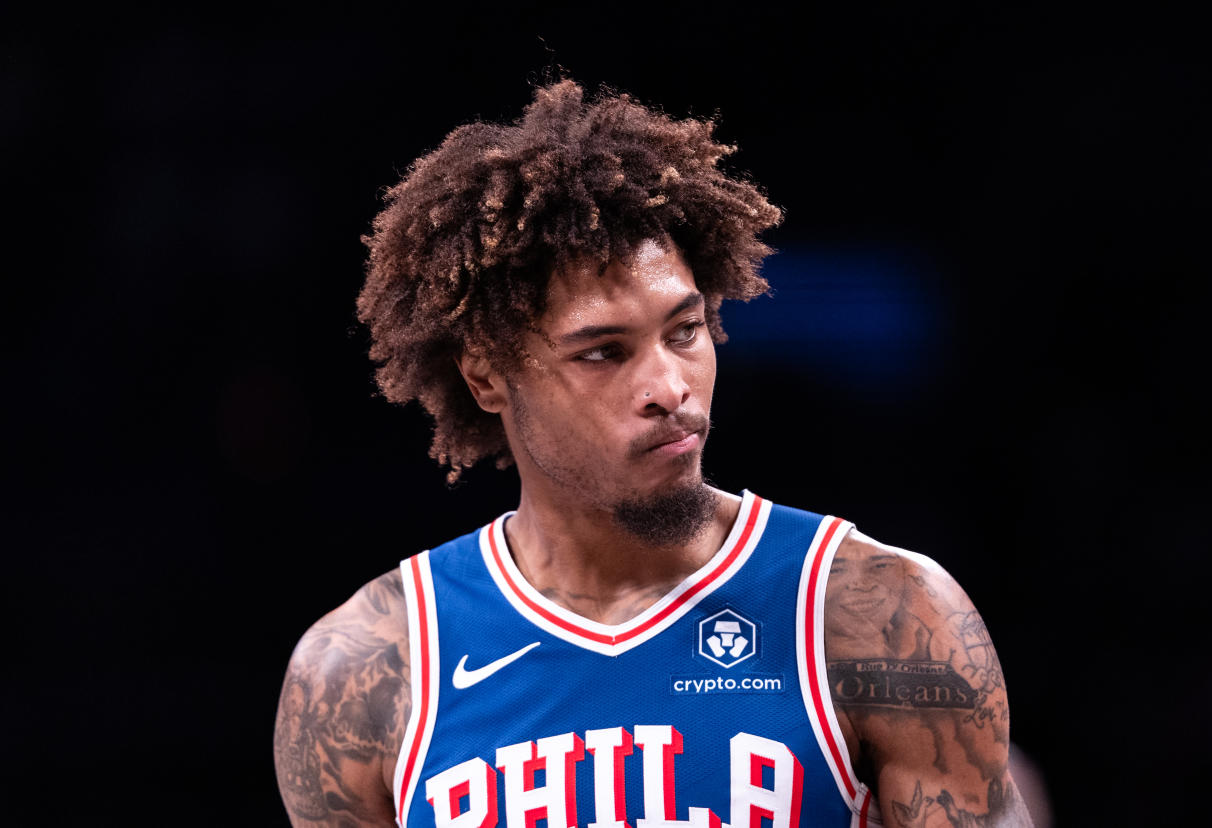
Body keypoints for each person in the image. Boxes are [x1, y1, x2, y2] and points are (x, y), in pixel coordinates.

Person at [274, 78, 1033, 828]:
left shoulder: (882, 616)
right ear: (486, 376)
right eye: (604, 353)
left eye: (684, 331)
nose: (669, 387)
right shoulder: (363, 673)